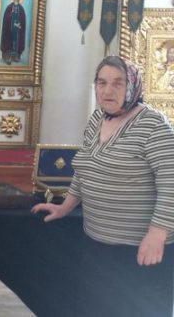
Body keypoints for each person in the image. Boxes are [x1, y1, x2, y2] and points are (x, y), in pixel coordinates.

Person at [32, 56, 174, 316]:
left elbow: (171, 183)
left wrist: (157, 235)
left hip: (139, 250)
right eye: (102, 82)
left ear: (133, 85)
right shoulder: (98, 118)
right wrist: (65, 207)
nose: (108, 90)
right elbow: (84, 168)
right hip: (97, 243)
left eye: (118, 83)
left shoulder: (154, 125)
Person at [0, 0, 26, 64]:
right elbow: (6, 18)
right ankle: (7, 57)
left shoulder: (21, 8)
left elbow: (23, 19)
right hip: (9, 29)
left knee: (17, 42)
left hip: (18, 30)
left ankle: (16, 56)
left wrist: (19, 24)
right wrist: (11, 15)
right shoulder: (9, 7)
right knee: (9, 42)